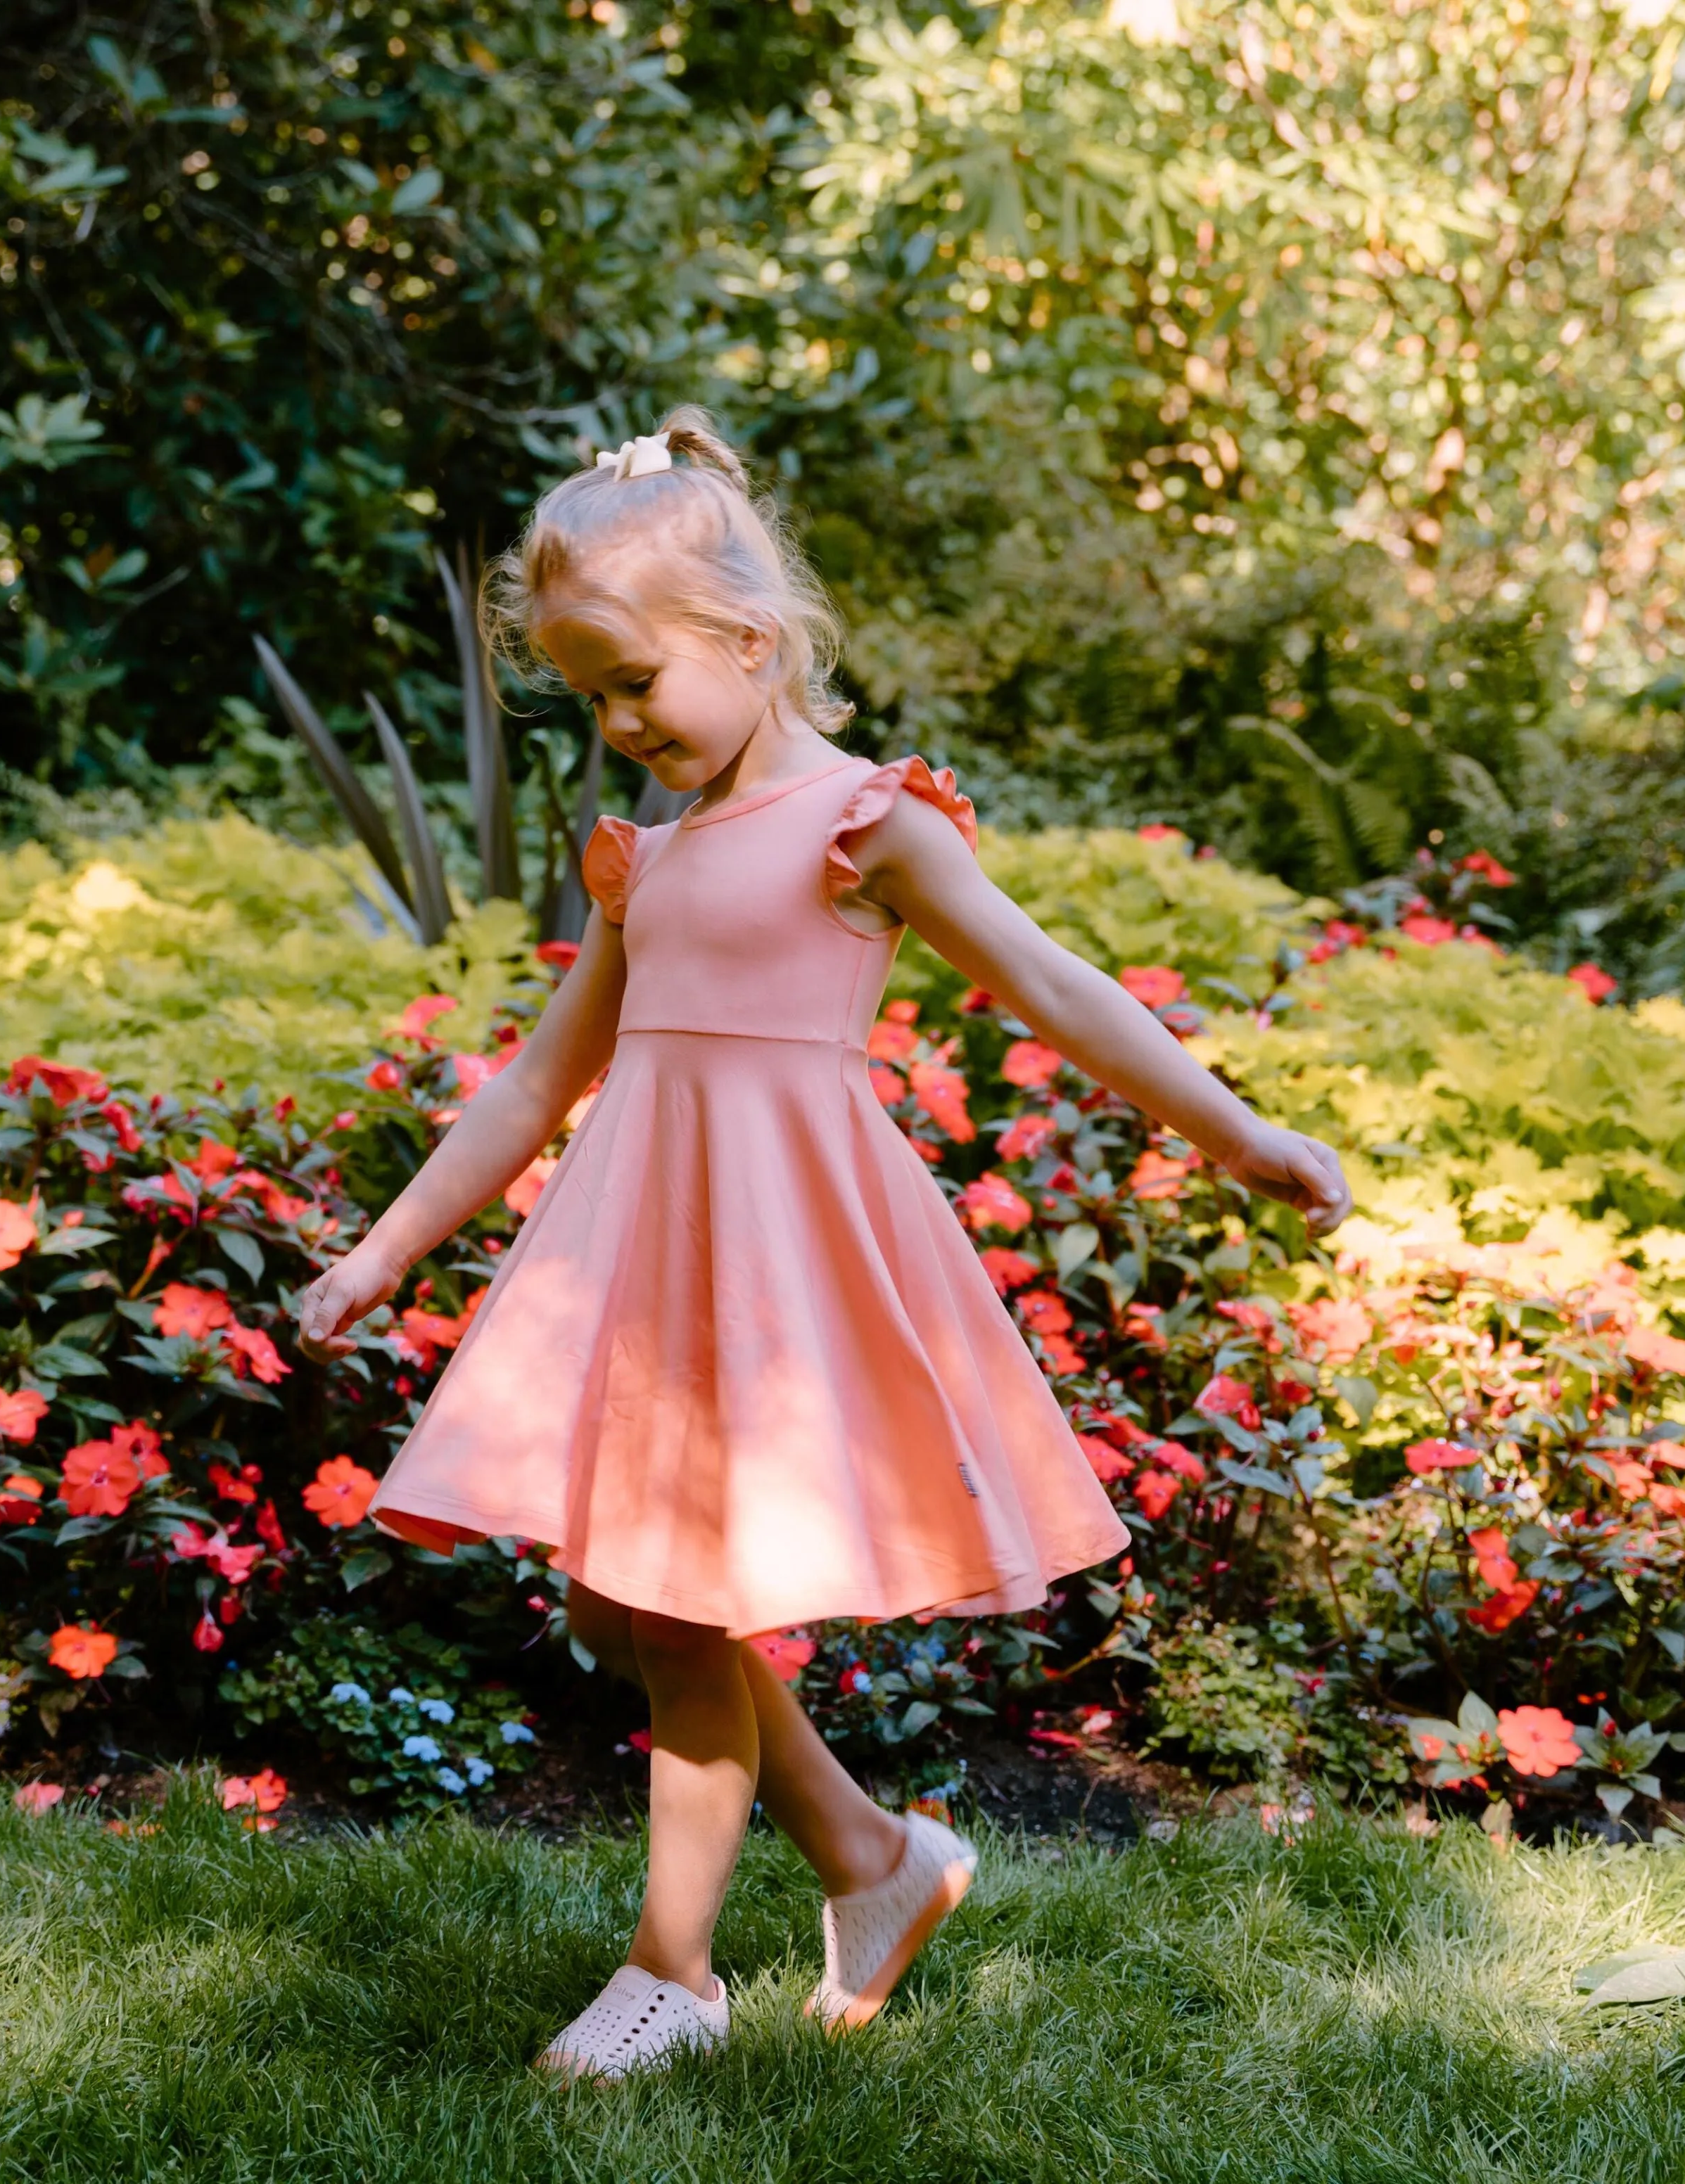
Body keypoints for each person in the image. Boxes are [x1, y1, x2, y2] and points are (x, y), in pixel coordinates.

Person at [295, 407, 1352, 2082]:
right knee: (621, 1609)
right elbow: (533, 1083)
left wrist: (1237, 1130)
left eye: (638, 681)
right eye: (588, 697)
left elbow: (1053, 984)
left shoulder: (871, 823)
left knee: (678, 1605)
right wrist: (384, 1250)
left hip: (772, 1259)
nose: (620, 724)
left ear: (752, 639)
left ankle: (674, 1972)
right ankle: (874, 1857)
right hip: (637, 1259)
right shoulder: (647, 859)